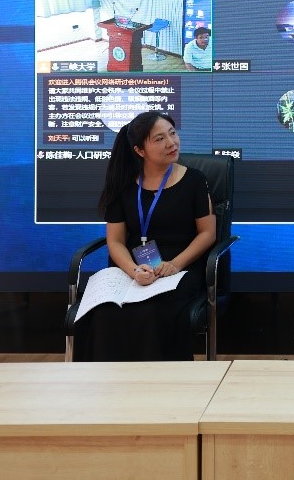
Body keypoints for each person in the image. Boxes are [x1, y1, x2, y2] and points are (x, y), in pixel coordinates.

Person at [73, 110, 216, 361]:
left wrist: (174, 264)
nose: (171, 143)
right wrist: (134, 270)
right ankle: (108, 380)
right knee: (104, 313)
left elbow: (207, 233)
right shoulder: (123, 184)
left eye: (172, 133)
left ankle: (156, 381)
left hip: (180, 269)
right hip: (133, 268)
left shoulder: (194, 180)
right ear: (140, 150)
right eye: (160, 139)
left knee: (151, 311)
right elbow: (115, 241)